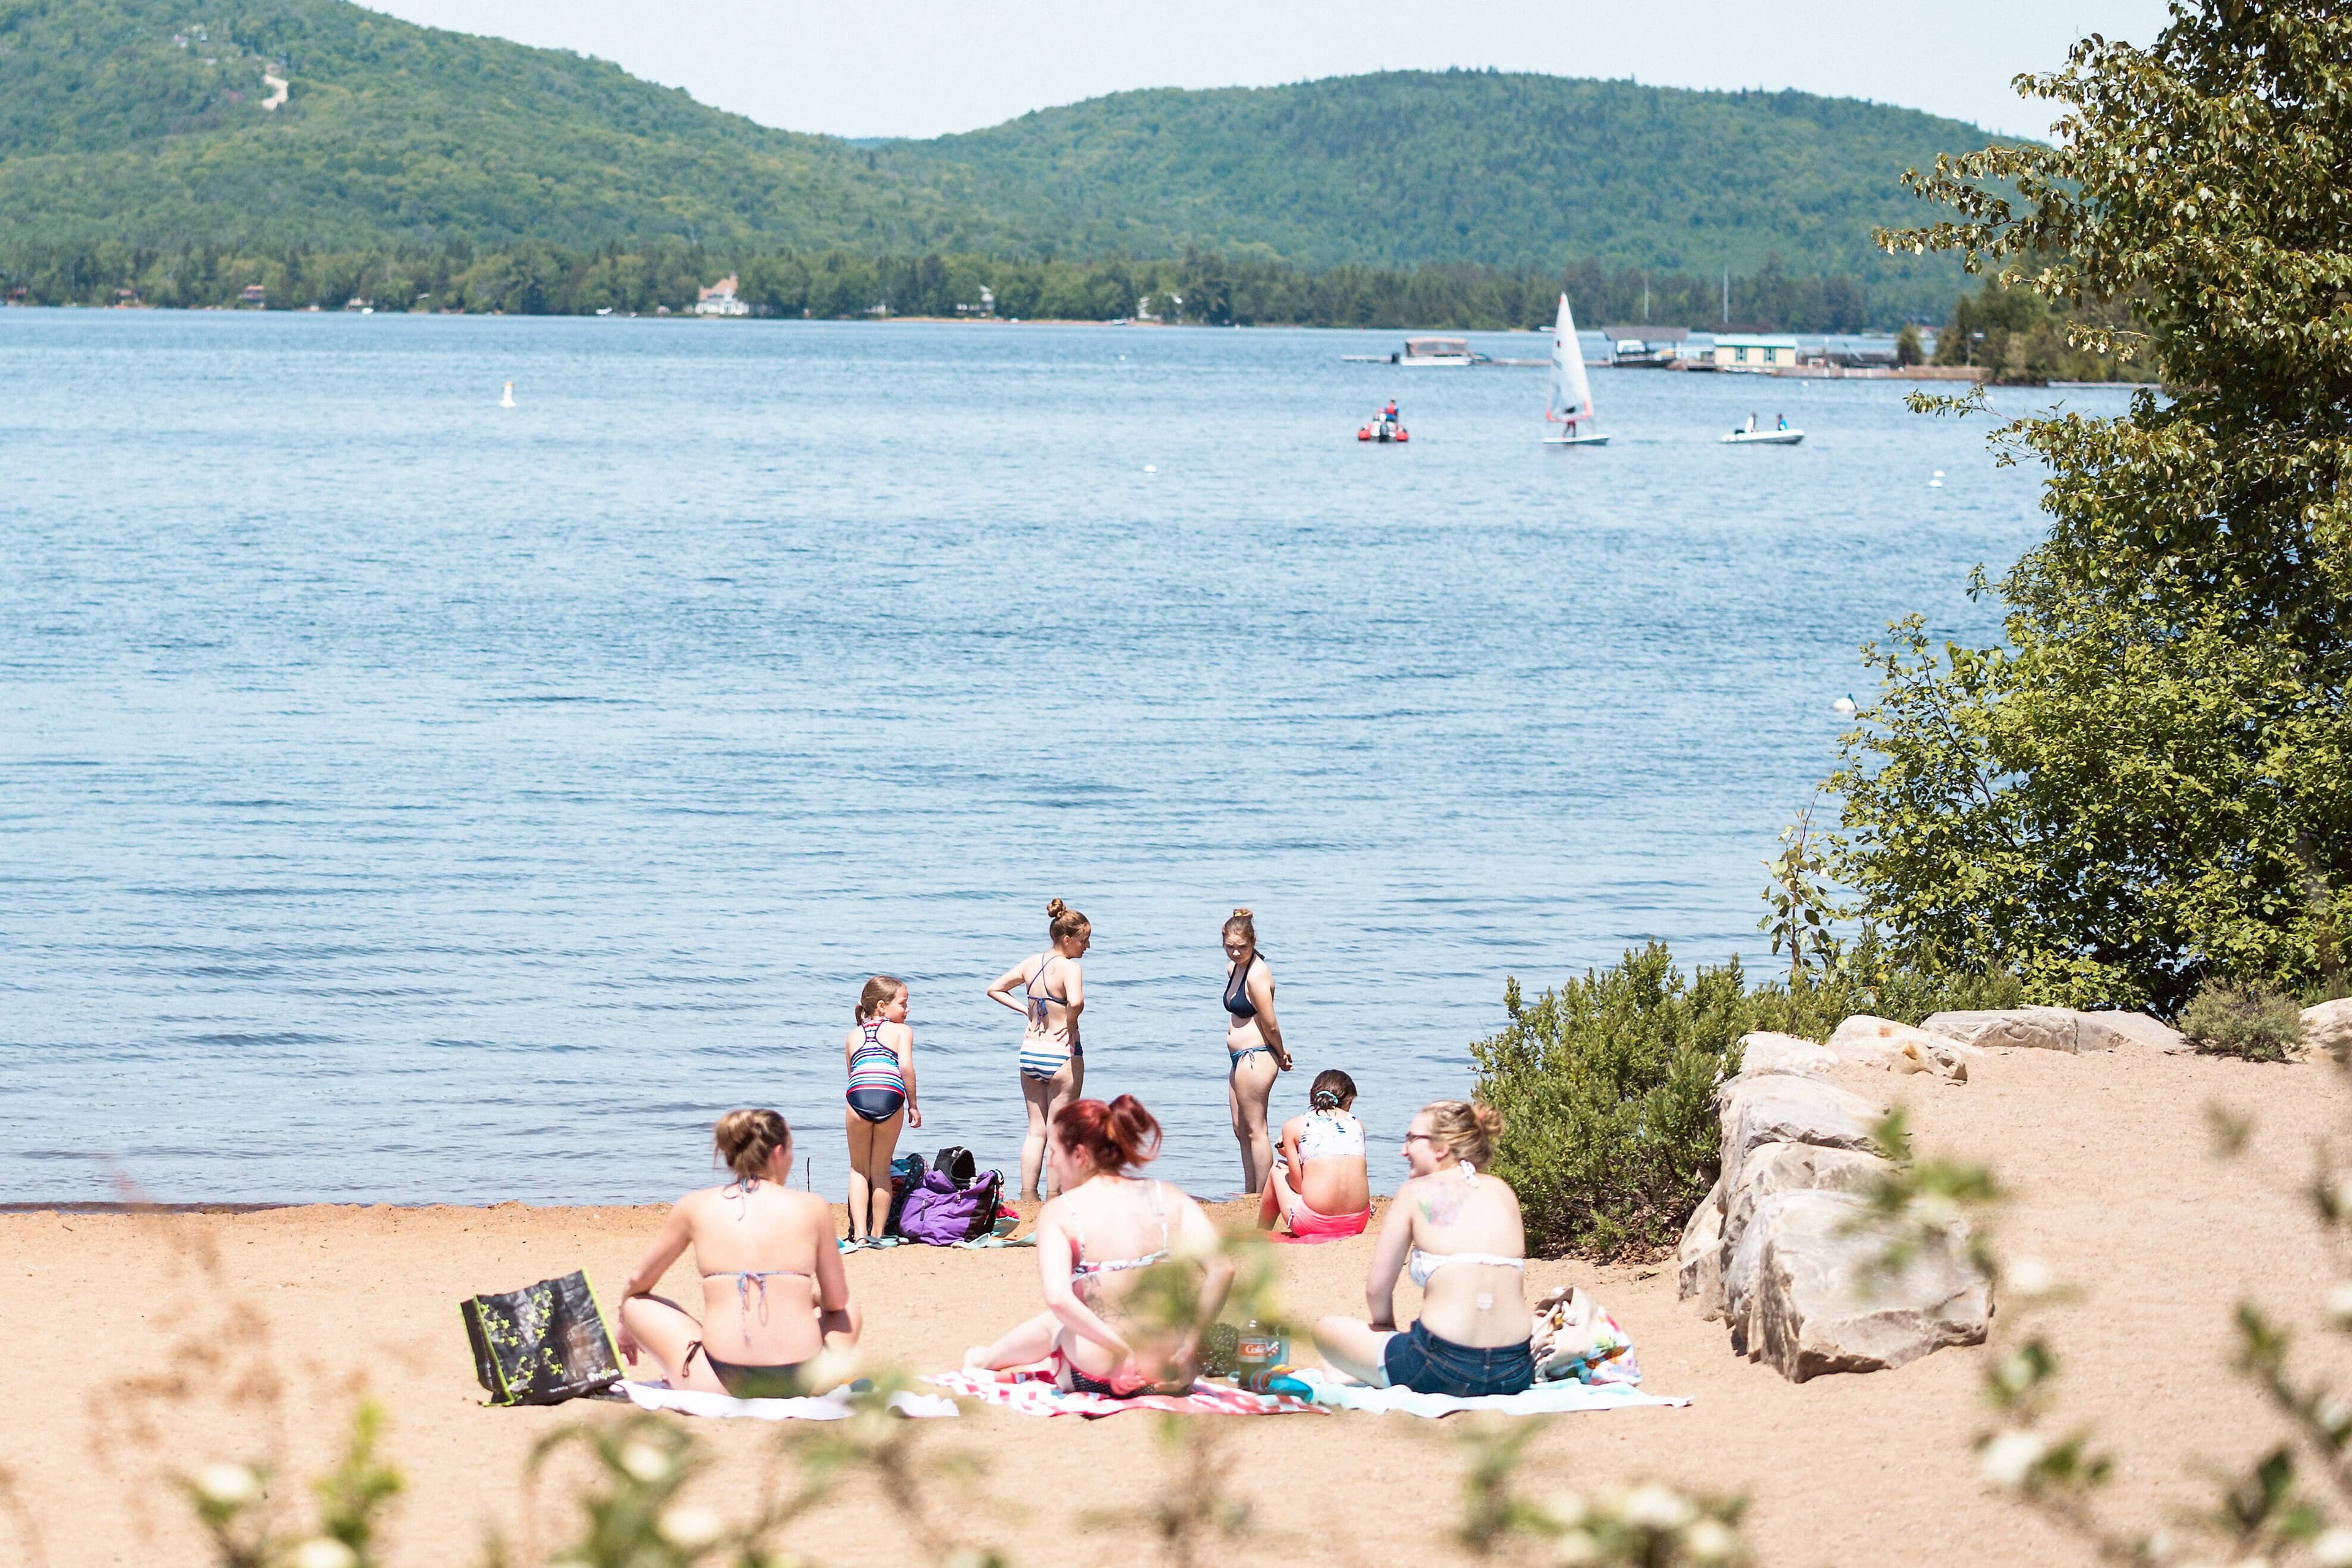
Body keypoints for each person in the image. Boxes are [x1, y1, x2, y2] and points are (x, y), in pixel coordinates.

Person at [964, 1096, 1233, 1396]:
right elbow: (1222, 1268)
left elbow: (1058, 1299)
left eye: (1054, 1152)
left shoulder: (1061, 1211)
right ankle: (986, 1358)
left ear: (1079, 1155)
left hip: (1098, 1373)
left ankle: (985, 1359)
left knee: (1060, 1320)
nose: (1051, 1161)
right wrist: (1191, 1345)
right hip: (1172, 1373)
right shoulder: (1167, 1196)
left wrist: (1121, 1352)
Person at [617, 1110, 860, 1398]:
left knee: (635, 1304)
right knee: (848, 1313)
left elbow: (638, 1281)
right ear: (778, 1153)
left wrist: (624, 1323)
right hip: (802, 1381)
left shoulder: (695, 1206)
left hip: (721, 1383)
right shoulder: (813, 1207)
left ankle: (684, 1373)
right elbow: (836, 1301)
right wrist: (809, 1299)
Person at [1311, 1099, 1534, 1397]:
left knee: (1327, 1330)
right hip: (1515, 1370)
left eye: (1412, 1139)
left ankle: (1369, 1369)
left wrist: (1385, 1333)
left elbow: (1377, 1290)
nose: (1404, 1150)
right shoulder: (1503, 1192)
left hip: (1440, 1366)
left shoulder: (1415, 1193)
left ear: (1441, 1148)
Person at [987, 897, 1090, 1204]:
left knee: (1035, 1131)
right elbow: (1077, 1002)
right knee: (1059, 1133)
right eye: (1084, 941)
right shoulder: (1070, 968)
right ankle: (1054, 1196)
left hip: (1030, 1051)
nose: (1087, 947)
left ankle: (1027, 1195)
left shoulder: (1031, 962)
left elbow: (994, 988)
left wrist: (1026, 1011)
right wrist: (1070, 1024)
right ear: (1068, 939)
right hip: (1061, 1054)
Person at [842, 974, 920, 1250]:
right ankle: (877, 1233)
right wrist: (913, 1104)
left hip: (858, 1096)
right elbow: (906, 1069)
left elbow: (853, 1075)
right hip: (891, 1095)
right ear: (882, 1006)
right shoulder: (903, 1031)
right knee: (880, 1169)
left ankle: (860, 1234)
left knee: (858, 1169)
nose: (908, 1010)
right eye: (904, 1003)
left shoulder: (853, 1035)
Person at [1220, 907, 1291, 1195]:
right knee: (1241, 1128)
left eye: (1242, 948)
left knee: (1256, 1129)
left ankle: (1263, 1195)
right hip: (1239, 1059)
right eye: (1230, 947)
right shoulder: (1234, 969)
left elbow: (1270, 1023)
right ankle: (1250, 1191)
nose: (1236, 953)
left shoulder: (1257, 975)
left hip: (1257, 1055)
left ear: (1254, 942)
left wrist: (1282, 1053)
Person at [1257, 1068, 1371, 1242]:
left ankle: (1262, 1231)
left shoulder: (1294, 1125)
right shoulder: (1357, 1124)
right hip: (1357, 1222)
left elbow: (1298, 1186)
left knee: (1278, 1168)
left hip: (1313, 1223)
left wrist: (1290, 1154)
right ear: (1347, 1101)